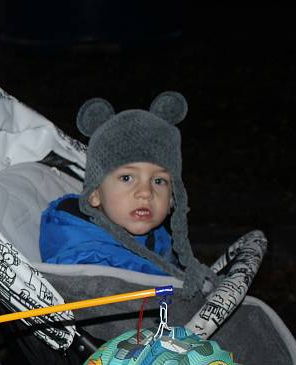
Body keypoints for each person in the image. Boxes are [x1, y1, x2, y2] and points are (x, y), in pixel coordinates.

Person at [39, 91, 212, 294]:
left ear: (173, 198)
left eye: (159, 181)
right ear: (94, 194)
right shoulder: (86, 260)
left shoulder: (158, 237)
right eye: (127, 178)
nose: (146, 192)